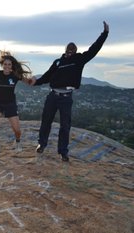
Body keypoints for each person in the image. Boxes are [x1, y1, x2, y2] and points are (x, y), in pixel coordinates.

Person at [30, 21, 109, 162]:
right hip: (53, 96)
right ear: (65, 50)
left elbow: (94, 49)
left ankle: (63, 152)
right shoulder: (58, 62)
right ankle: (41, 144)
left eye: (72, 50)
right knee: (46, 121)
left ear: (75, 51)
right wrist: (35, 82)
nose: (70, 52)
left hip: (66, 98)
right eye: (68, 50)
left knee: (65, 126)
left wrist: (104, 34)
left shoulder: (79, 60)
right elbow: (47, 76)